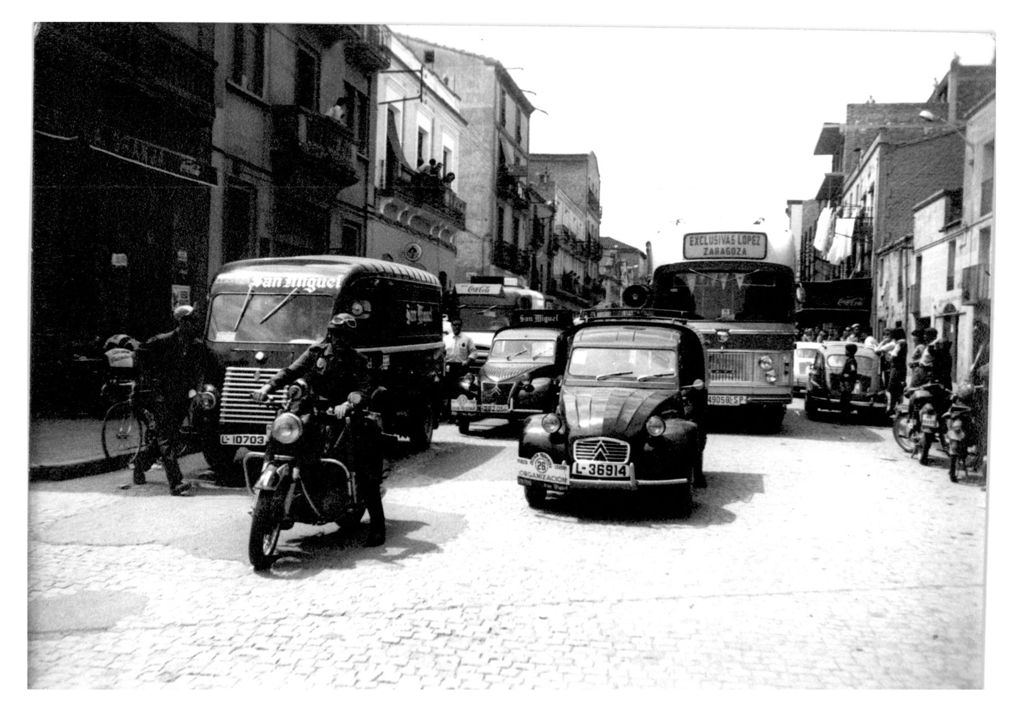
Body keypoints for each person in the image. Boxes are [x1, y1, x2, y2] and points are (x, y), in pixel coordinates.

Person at [251, 312, 386, 547]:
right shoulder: (315, 354)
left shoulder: (357, 361)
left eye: (345, 336)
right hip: (311, 411)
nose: (339, 340)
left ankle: (377, 526)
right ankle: (270, 498)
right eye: (336, 334)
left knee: (363, 465)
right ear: (330, 334)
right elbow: (291, 371)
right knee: (282, 435)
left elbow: (363, 388)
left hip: (341, 415)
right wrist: (268, 386)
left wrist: (350, 403)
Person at [132, 305, 208, 496]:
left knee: (168, 437)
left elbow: (199, 371)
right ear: (182, 322)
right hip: (161, 397)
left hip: (181, 398)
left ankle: (140, 465)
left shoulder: (196, 346)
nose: (195, 325)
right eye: (192, 321)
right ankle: (176, 482)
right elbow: (140, 354)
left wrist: (195, 393)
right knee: (166, 439)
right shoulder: (162, 340)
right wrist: (148, 380)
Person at [877, 327, 908, 416]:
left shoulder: (900, 343)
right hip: (901, 369)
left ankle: (894, 408)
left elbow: (894, 354)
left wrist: (889, 356)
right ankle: (896, 409)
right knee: (898, 390)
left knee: (893, 389)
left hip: (896, 368)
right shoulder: (903, 342)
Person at [838, 342, 859, 420]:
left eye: (846, 350)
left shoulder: (851, 361)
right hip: (846, 383)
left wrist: (845, 376)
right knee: (843, 400)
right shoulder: (849, 360)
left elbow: (852, 371)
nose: (845, 351)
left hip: (848, 383)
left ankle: (845, 417)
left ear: (849, 351)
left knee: (845, 401)